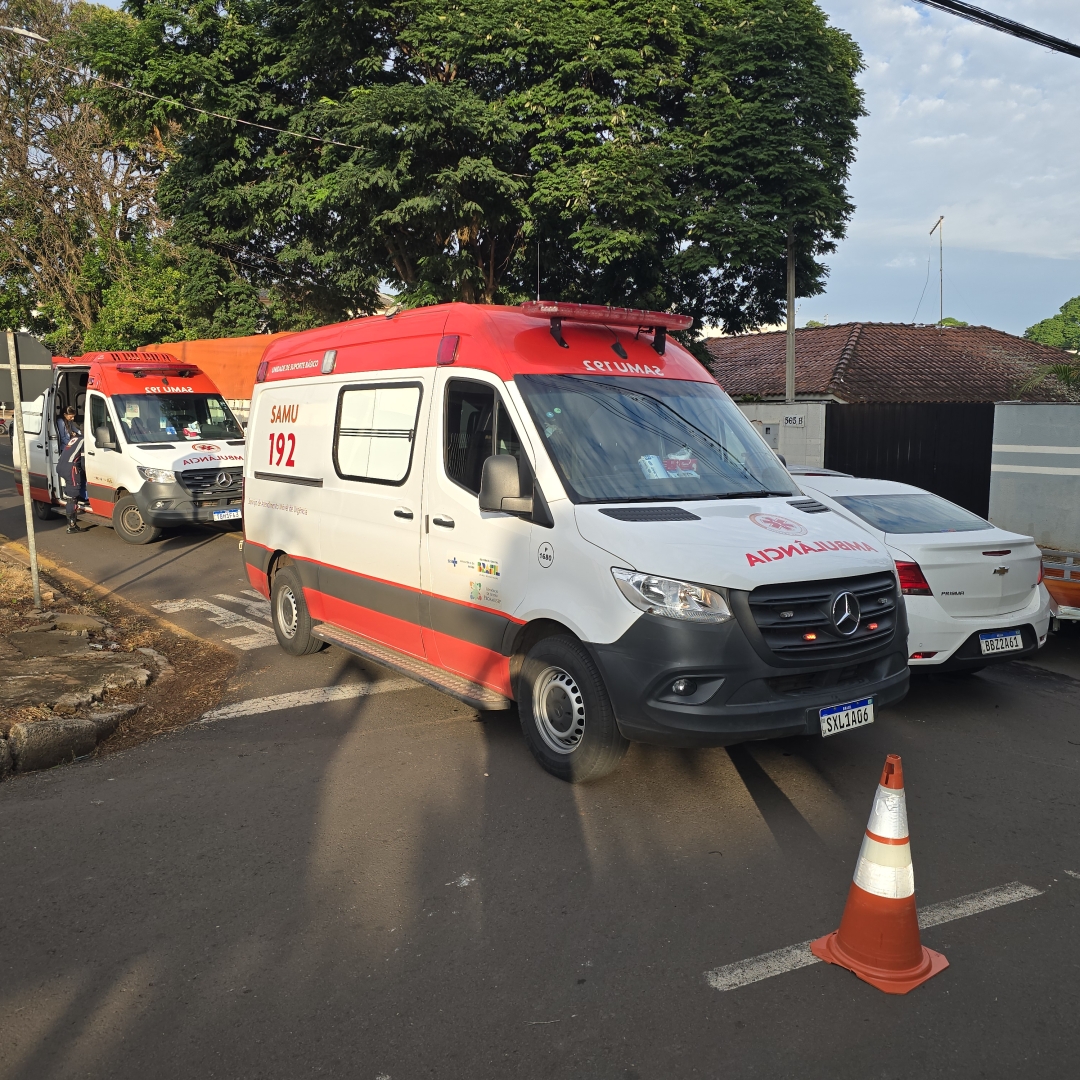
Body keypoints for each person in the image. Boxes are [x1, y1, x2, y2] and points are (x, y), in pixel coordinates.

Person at [57, 421, 86, 534]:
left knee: (71, 494)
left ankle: (72, 523)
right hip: (71, 468)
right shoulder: (84, 441)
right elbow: (83, 462)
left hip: (61, 466)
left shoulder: (75, 439)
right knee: (72, 497)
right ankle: (71, 526)